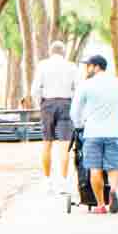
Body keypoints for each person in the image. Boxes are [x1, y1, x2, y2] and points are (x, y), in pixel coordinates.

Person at [69, 53, 118, 215]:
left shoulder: (86, 85)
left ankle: (101, 205)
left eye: (88, 66)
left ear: (96, 66)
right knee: (113, 167)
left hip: (92, 133)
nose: (87, 69)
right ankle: (113, 191)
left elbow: (75, 111)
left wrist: (80, 125)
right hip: (114, 132)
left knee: (95, 168)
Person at [30, 40, 79, 195]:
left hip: (48, 104)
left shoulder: (43, 65)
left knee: (47, 143)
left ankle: (47, 181)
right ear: (63, 53)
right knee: (64, 146)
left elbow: (35, 90)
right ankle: (63, 183)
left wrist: (41, 103)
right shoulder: (72, 66)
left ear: (51, 52)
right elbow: (77, 88)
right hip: (66, 103)